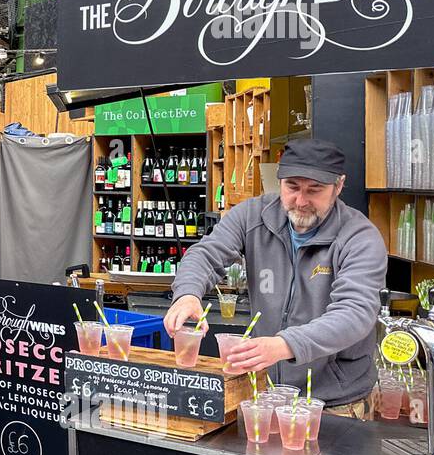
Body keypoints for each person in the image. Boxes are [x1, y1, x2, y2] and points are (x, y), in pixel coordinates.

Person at [163, 138, 387, 417]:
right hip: (266, 396)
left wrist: (285, 345)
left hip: (334, 403)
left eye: (314, 190)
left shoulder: (359, 238)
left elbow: (355, 313)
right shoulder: (252, 215)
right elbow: (206, 253)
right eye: (292, 187)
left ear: (338, 186)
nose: (301, 201)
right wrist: (187, 294)